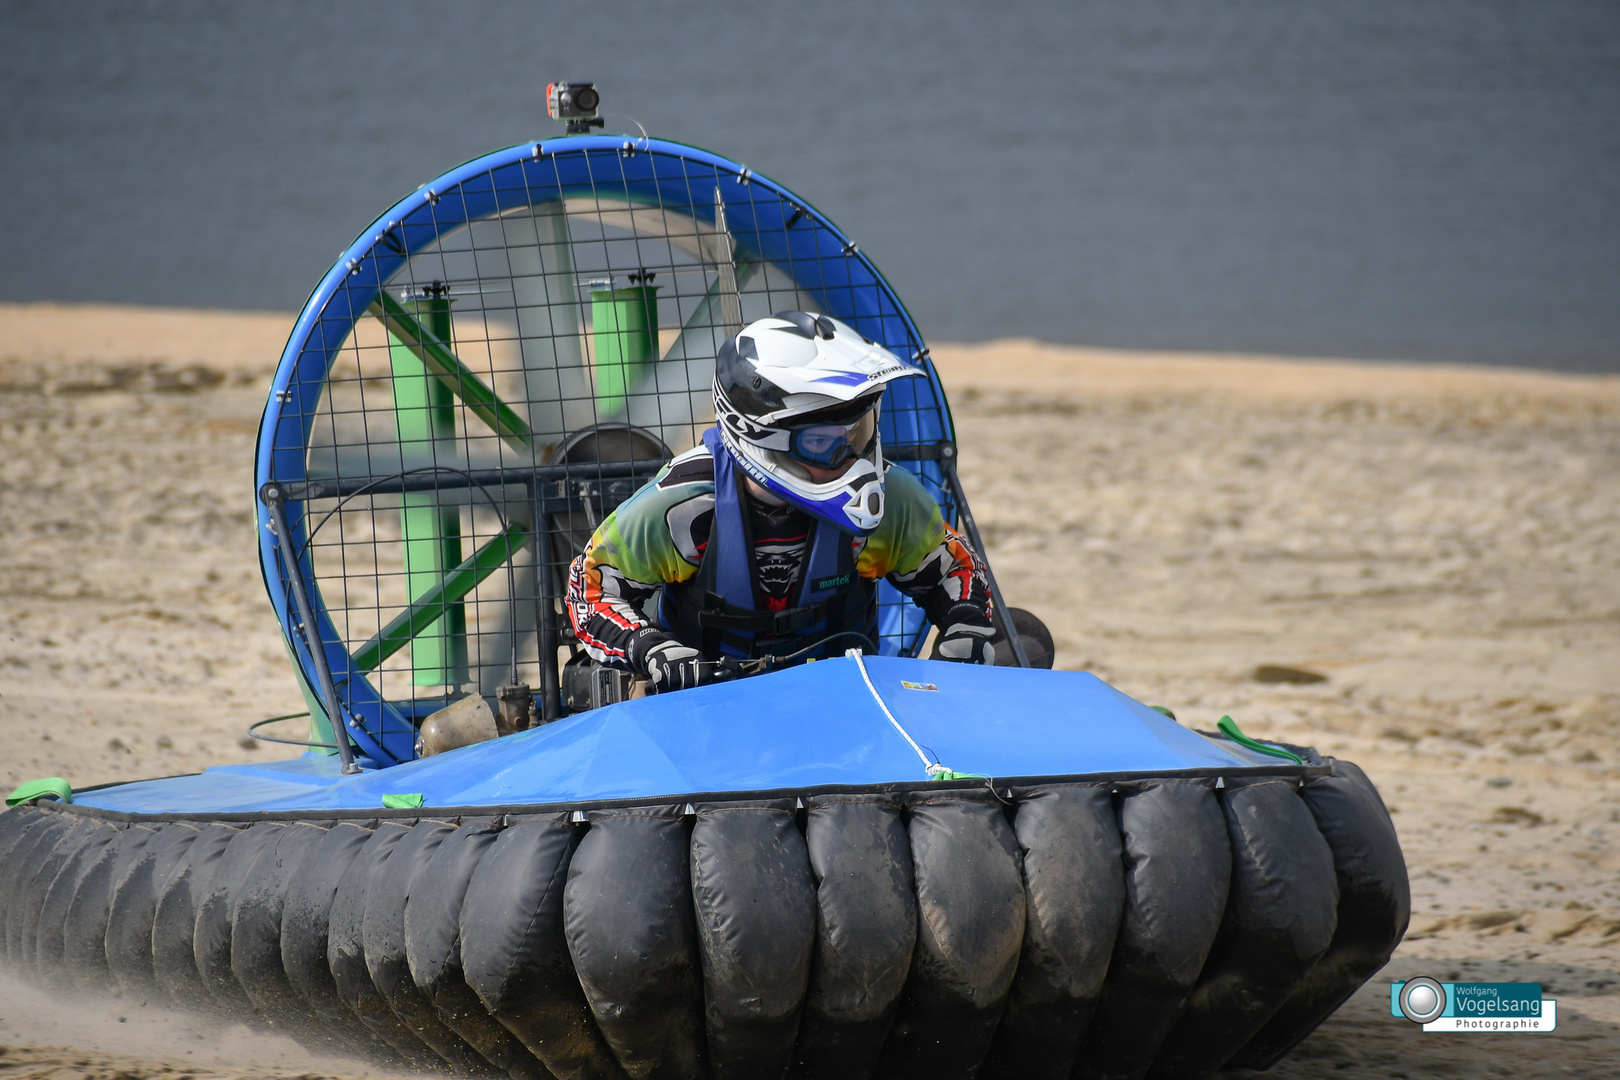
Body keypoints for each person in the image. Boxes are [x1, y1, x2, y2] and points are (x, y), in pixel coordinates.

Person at [565, 311, 996, 693]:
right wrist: (651, 649)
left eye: (857, 434)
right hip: (703, 710)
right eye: (823, 444)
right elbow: (589, 587)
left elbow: (955, 567)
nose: (850, 460)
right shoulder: (686, 505)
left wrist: (965, 621)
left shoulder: (892, 500)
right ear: (761, 440)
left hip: (845, 706)